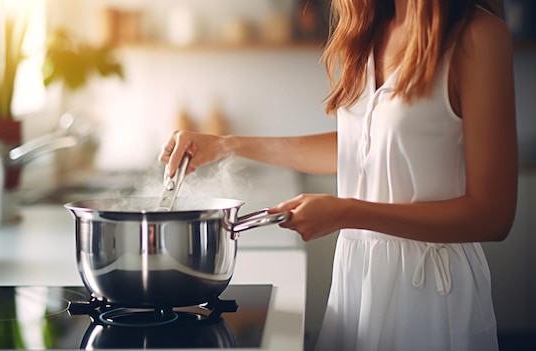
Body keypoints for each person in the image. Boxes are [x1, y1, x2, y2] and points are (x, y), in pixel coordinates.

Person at [159, 0, 517, 349]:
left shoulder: (477, 35)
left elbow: (493, 215)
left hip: (433, 293)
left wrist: (347, 212)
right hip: (357, 277)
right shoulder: (371, 27)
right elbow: (358, 147)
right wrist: (224, 144)